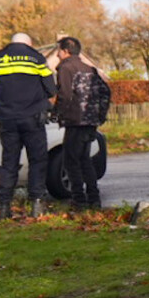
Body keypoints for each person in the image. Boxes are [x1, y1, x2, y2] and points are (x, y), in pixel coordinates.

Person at [0, 31, 55, 219]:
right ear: (29, 43)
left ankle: (4, 207)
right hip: (32, 117)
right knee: (37, 160)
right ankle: (36, 204)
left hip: (7, 118)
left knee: (9, 162)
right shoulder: (36, 58)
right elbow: (51, 88)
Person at [52, 35, 110, 209]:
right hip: (90, 122)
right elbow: (105, 92)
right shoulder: (90, 69)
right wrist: (99, 116)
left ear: (66, 51)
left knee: (71, 161)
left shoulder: (66, 68)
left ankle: (78, 199)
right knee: (85, 160)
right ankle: (94, 197)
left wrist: (56, 114)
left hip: (75, 121)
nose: (57, 56)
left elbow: (65, 95)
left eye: (58, 51)